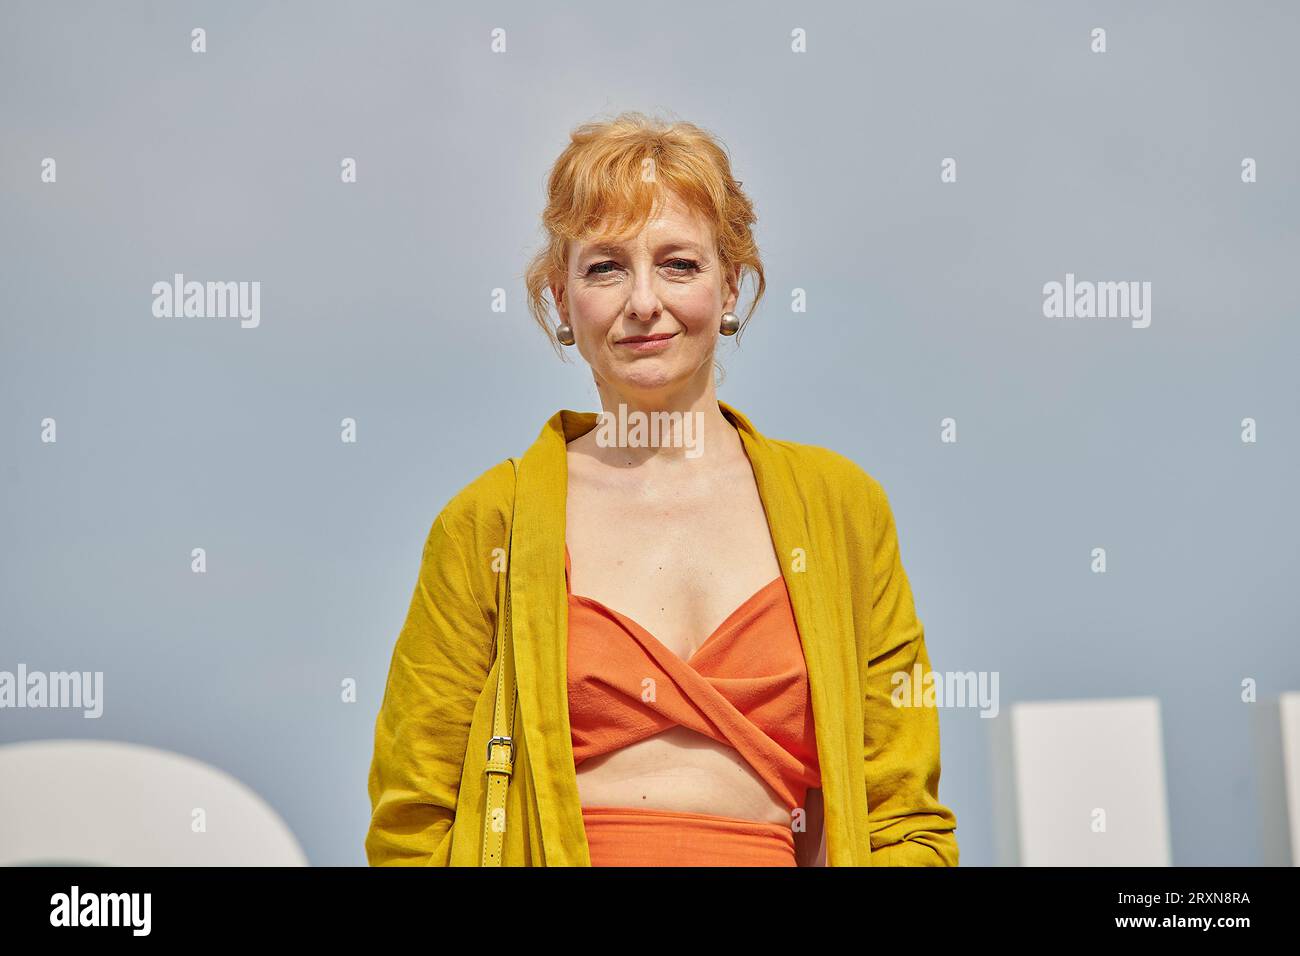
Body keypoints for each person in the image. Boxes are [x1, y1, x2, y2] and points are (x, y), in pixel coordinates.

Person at [365, 112, 958, 866]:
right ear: (559, 299)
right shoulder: (490, 524)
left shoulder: (843, 511)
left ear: (732, 284)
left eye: (678, 264)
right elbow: (413, 820)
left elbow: (903, 820)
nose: (643, 302)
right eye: (605, 267)